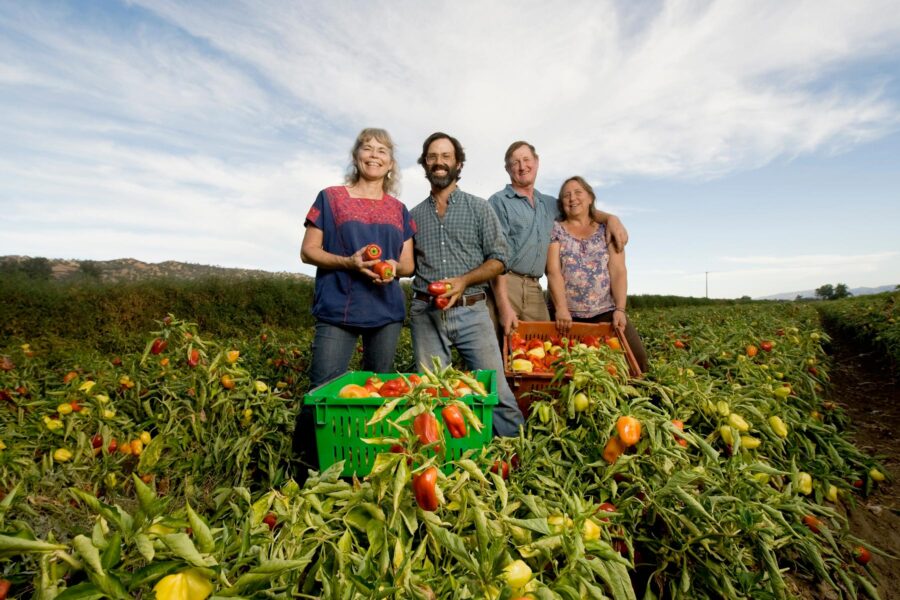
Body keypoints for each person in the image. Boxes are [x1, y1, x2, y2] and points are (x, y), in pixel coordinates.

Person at [294, 128, 415, 479]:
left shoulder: (399, 210)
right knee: (322, 393)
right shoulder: (330, 198)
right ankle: (306, 474)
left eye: (382, 151)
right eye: (367, 148)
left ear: (391, 164)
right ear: (356, 156)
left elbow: (407, 264)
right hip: (338, 310)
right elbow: (308, 251)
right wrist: (350, 262)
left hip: (385, 313)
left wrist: (393, 266)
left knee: (380, 397)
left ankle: (366, 471)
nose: (374, 154)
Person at [409, 132, 524, 436]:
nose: (439, 162)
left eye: (446, 156)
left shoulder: (479, 208)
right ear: (425, 164)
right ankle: (444, 461)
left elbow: (500, 259)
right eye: (432, 157)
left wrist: (464, 281)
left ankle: (520, 457)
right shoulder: (413, 216)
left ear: (458, 164)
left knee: (496, 392)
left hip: (472, 310)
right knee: (432, 396)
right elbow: (406, 266)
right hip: (427, 312)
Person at [488, 141, 629, 337]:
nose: (522, 166)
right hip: (507, 282)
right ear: (507, 169)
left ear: (536, 162)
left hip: (534, 287)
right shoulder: (499, 202)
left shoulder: (548, 203)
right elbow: (496, 256)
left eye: (527, 159)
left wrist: (611, 219)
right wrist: (503, 306)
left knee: (542, 345)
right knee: (506, 345)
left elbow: (580, 210)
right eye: (515, 162)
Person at [546, 176, 649, 372]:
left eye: (578, 193)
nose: (572, 198)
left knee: (637, 358)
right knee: (572, 368)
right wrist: (561, 309)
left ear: (590, 198)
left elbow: (618, 271)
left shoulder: (607, 229)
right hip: (567, 317)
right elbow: (553, 272)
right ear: (561, 203)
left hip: (605, 311)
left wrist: (620, 309)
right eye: (566, 195)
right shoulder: (556, 229)